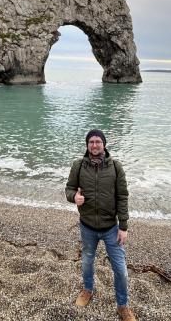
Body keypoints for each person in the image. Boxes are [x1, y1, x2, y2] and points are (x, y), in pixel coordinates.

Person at [65, 129, 137, 321]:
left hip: (111, 228)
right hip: (87, 226)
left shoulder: (116, 167)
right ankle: (87, 290)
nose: (94, 145)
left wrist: (123, 226)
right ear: (87, 145)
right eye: (91, 142)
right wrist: (75, 197)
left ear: (104, 144)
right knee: (87, 261)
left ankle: (123, 306)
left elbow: (123, 197)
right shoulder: (78, 166)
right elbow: (69, 189)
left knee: (120, 269)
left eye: (98, 141)